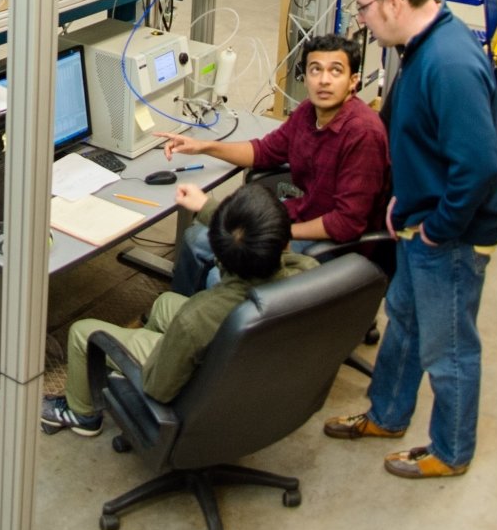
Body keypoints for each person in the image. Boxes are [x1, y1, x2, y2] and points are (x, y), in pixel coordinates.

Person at [321, 0, 497, 481]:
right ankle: (387, 414)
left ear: (395, 1)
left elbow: (478, 167)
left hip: (448, 236)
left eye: (363, 8)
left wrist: (436, 232)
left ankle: (450, 451)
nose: (361, 20)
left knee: (448, 348)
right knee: (402, 322)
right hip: (417, 221)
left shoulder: (449, 63)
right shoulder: (419, 46)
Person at [40, 182, 317, 436]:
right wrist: (207, 207)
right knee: (164, 304)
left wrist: (159, 356)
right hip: (254, 371)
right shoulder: (307, 274)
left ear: (217, 254)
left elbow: (159, 387)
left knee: (82, 333)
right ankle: (135, 364)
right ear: (285, 242)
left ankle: (82, 414)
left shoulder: (198, 317)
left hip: (193, 387)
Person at [154, 32, 389, 296]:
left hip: (333, 245)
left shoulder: (363, 133)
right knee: (194, 239)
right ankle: (180, 315)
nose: (324, 80)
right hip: (297, 219)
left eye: (336, 71)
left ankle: (215, 330)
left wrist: (282, 234)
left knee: (219, 279)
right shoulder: (307, 113)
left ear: (353, 81)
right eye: (315, 70)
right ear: (306, 77)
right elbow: (264, 152)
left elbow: (346, 224)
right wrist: (203, 147)